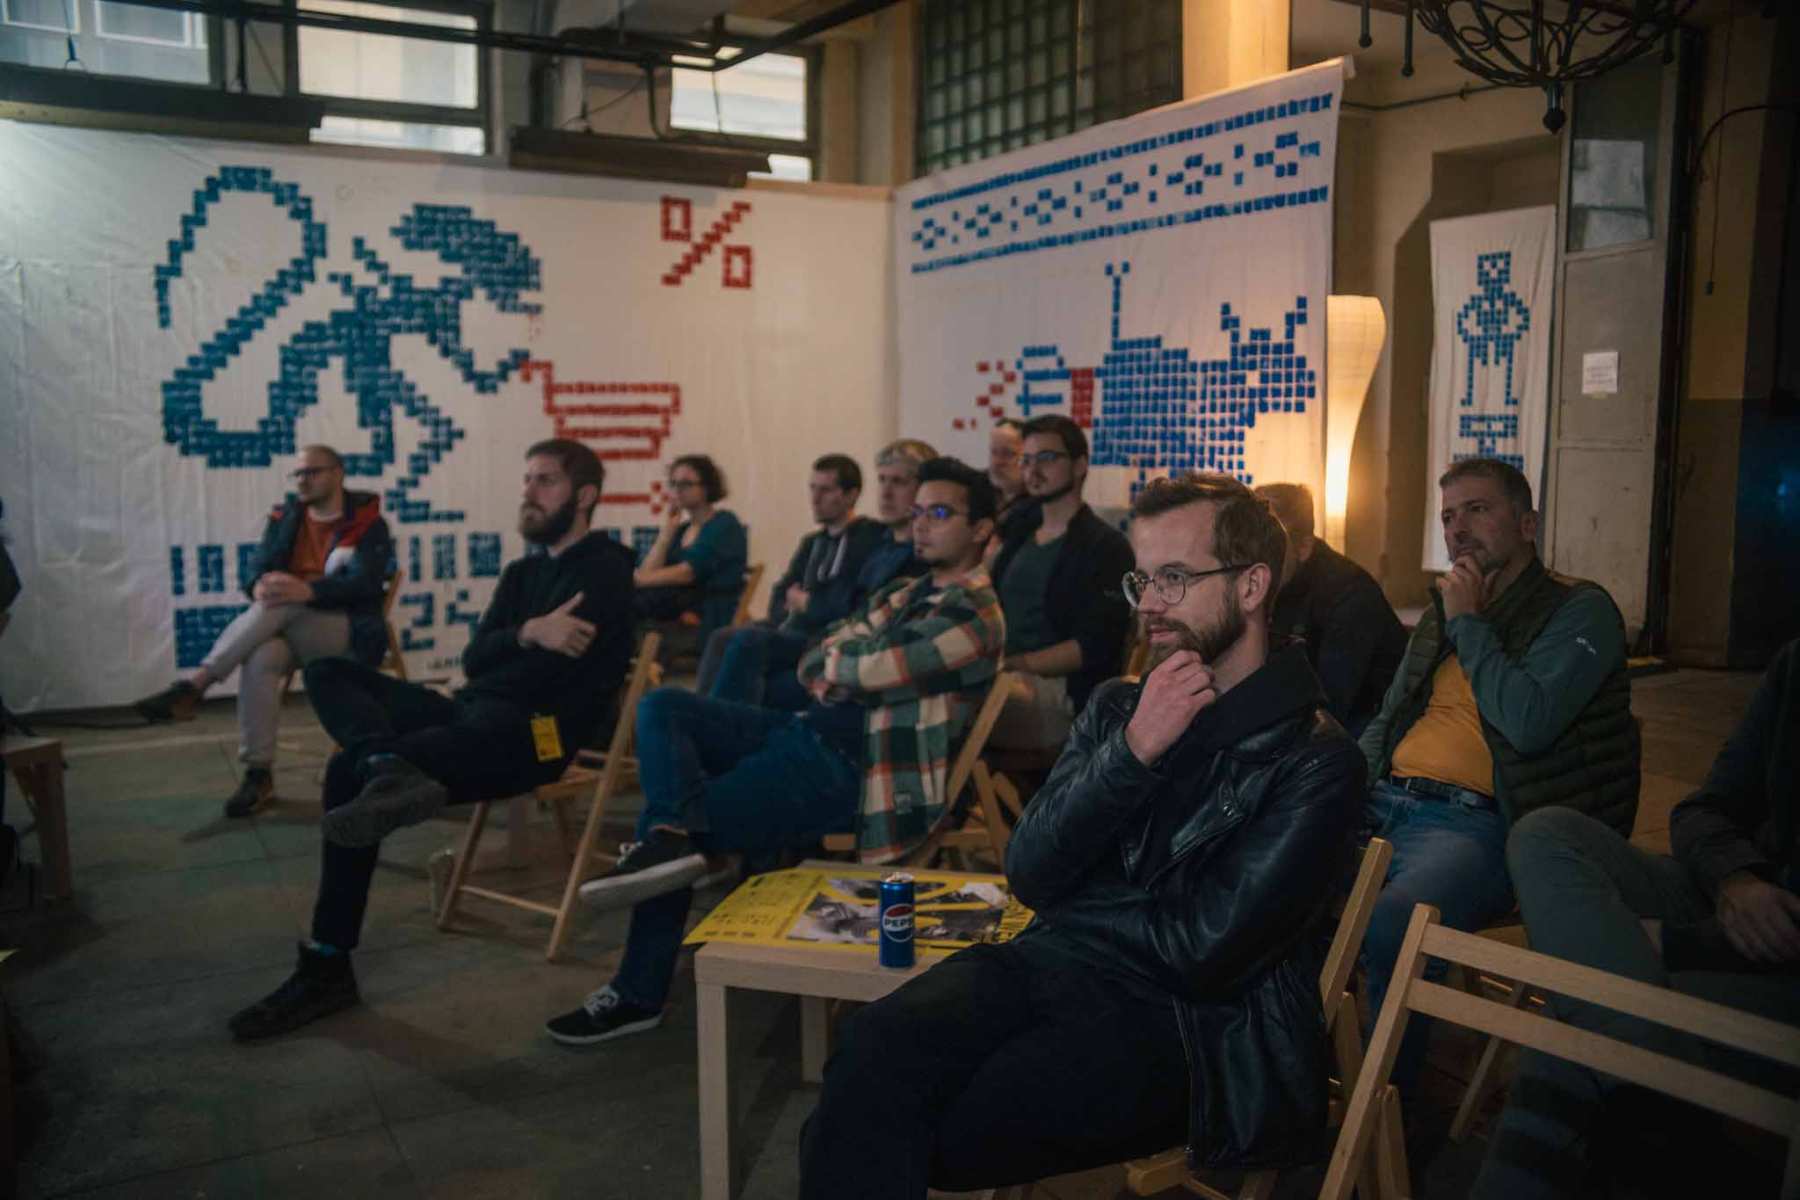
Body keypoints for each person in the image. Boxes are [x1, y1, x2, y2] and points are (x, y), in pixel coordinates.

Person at [798, 473, 1365, 1198]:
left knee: (920, 1127)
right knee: (868, 1049)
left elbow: (1201, 953)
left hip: (1187, 1028)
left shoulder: (1315, 759)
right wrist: (1133, 752)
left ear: (1252, 586)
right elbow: (1032, 872)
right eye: (1142, 580)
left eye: (1174, 578)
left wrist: (1082, 900)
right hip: (1052, 962)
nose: (1149, 604)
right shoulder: (1119, 710)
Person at [542, 457, 1004, 1046]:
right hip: (806, 732)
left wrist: (843, 668)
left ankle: (638, 991)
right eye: (918, 512)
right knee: (664, 709)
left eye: (938, 512)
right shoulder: (905, 591)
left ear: (981, 529)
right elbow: (822, 650)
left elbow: (870, 665)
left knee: (675, 823)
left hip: (855, 772)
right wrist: (843, 667)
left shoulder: (975, 614)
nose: (921, 523)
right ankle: (676, 840)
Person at [225, 439, 635, 1042]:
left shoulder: (607, 571)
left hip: (537, 736)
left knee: (344, 775)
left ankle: (326, 964)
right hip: (473, 713)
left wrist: (510, 651)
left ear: (585, 496)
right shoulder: (523, 573)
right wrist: (528, 632)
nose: (528, 491)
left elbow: (548, 677)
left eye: (545, 481)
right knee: (329, 672)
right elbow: (476, 657)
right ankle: (385, 763)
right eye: (526, 479)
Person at [1472, 640, 1800, 1199]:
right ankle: (1661, 1108)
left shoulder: (1576, 616)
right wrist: (1736, 876)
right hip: (1737, 893)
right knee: (1546, 835)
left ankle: (1650, 1110)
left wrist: (1678, 944)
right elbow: (1705, 809)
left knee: (1578, 1006)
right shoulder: (1793, 663)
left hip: (1782, 967)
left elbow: (1528, 725)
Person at [1357, 457, 1639, 1099]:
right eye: (1448, 516)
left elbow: (1527, 722)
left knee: (1398, 918)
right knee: (1273, 865)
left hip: (1478, 821)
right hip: (1387, 796)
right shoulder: (1446, 610)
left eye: (1477, 510)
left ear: (1528, 524)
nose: (1458, 529)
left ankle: (1382, 1115)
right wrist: (1343, 784)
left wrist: (1469, 622)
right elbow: (1392, 713)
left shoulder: (1580, 610)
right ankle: (1292, 1069)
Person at [132, 445, 393, 817]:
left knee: (283, 599)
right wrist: (257, 585)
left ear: (337, 473)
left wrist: (310, 591)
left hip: (344, 629)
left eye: (312, 472)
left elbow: (366, 583)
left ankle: (196, 685)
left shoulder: (368, 523)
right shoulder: (286, 517)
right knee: (262, 654)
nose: (302, 481)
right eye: (298, 474)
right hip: (287, 625)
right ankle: (258, 773)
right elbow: (257, 566)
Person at [695, 453, 890, 709]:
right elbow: (780, 593)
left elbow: (846, 604)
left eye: (825, 490)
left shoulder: (867, 539)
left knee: (748, 641)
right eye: (812, 488)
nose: (815, 498)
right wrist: (796, 606)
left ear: (851, 496)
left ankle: (725, 717)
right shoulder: (812, 542)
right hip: (790, 627)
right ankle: (706, 713)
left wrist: (806, 603)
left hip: (822, 636)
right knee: (722, 637)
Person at [987, 414, 1134, 749]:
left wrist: (1016, 665)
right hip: (1002, 675)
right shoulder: (1018, 533)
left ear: (1080, 465)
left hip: (1059, 692)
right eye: (1026, 459)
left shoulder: (1105, 547)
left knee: (948, 703)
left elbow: (1095, 645)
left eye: (1047, 458)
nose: (1033, 470)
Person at [1254, 481, 1406, 737]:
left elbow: (1329, 703)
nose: (1253, 557)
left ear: (1304, 547)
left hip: (1368, 725)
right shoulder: (1275, 580)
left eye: (1269, 545)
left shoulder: (1351, 594)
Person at [632, 454, 747, 652]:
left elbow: (688, 572)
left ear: (707, 487)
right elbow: (648, 572)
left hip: (706, 615)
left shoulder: (724, 524)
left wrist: (638, 580)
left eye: (685, 484)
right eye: (673, 483)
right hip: (672, 611)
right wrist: (667, 532)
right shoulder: (682, 529)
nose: (677, 490)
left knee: (626, 609)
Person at [987, 417, 1027, 528]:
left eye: (1007, 453)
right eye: (994, 452)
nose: (997, 462)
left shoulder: (1040, 506)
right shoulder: (979, 490)